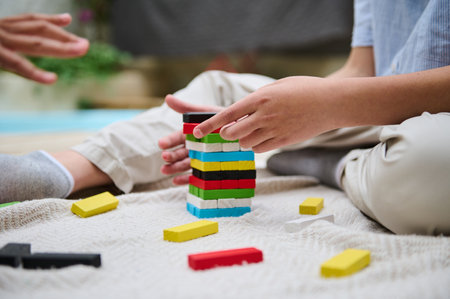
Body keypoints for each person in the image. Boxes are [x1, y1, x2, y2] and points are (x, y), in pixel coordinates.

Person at [1, 1, 449, 235]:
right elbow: (361, 71)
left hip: (435, 128)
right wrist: (311, 107)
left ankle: (326, 162)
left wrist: (326, 110)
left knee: (432, 166)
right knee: (217, 91)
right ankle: (60, 170)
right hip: (375, 109)